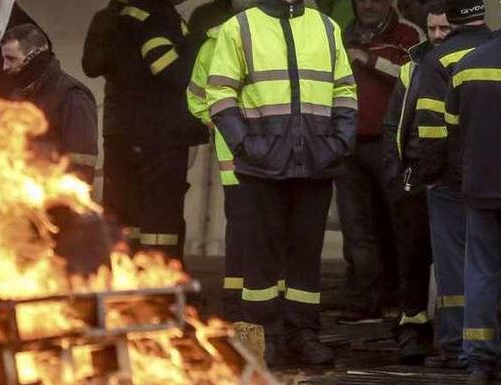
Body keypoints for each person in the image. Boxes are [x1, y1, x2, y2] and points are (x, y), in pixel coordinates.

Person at [206, 0, 358, 366]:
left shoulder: (326, 27)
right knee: (260, 260)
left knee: (306, 256)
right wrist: (247, 145)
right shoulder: (239, 27)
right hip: (261, 167)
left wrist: (338, 143)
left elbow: (345, 92)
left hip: (315, 163)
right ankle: (266, 337)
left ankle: (302, 333)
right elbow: (219, 94)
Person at [412, 0, 491, 379]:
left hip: (450, 179)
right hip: (495, 179)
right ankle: (494, 347)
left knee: (453, 266)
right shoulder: (497, 52)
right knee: (493, 263)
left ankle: (453, 344)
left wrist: (427, 174)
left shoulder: (439, 59)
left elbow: (429, 126)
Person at [335, 0, 424, 327]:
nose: (369, 4)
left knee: (401, 224)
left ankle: (405, 301)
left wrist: (368, 59)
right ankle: (362, 300)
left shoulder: (409, 34)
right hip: (348, 143)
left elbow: (419, 74)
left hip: (391, 145)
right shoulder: (343, 34)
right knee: (355, 227)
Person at [445, 3, 501, 385]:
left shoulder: (468, 64)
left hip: (478, 187)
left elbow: (452, 130)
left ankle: (479, 362)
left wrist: (466, 175)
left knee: (481, 273)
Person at [381, 0, 451, 363]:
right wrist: (395, 173)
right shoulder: (412, 68)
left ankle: (453, 333)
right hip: (413, 177)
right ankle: (412, 327)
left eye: (445, 29)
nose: (438, 35)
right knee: (412, 256)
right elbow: (394, 124)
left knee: (453, 260)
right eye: (433, 29)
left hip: (453, 180)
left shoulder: (465, 63)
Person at [110, 0, 205, 259]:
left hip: (136, 129)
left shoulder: (134, 13)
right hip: (162, 133)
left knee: (136, 211)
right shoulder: (157, 16)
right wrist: (201, 52)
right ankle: (160, 281)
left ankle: (136, 276)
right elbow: (168, 68)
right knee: (161, 213)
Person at [186, 7, 240, 321]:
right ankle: (236, 306)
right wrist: (216, 120)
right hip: (238, 166)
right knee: (240, 238)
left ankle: (270, 310)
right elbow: (195, 96)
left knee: (273, 238)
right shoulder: (215, 44)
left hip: (279, 163)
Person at [0, 24, 99, 184]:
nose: (4, 67)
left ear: (34, 57)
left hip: (54, 203)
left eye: (11, 59)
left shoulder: (72, 96)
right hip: (20, 201)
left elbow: (82, 166)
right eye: (3, 59)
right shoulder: (17, 96)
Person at [82, 1, 138, 243]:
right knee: (118, 200)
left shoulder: (160, 16)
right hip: (121, 125)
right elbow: (91, 65)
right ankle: (117, 259)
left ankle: (152, 264)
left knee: (152, 205)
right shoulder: (107, 19)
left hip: (155, 128)